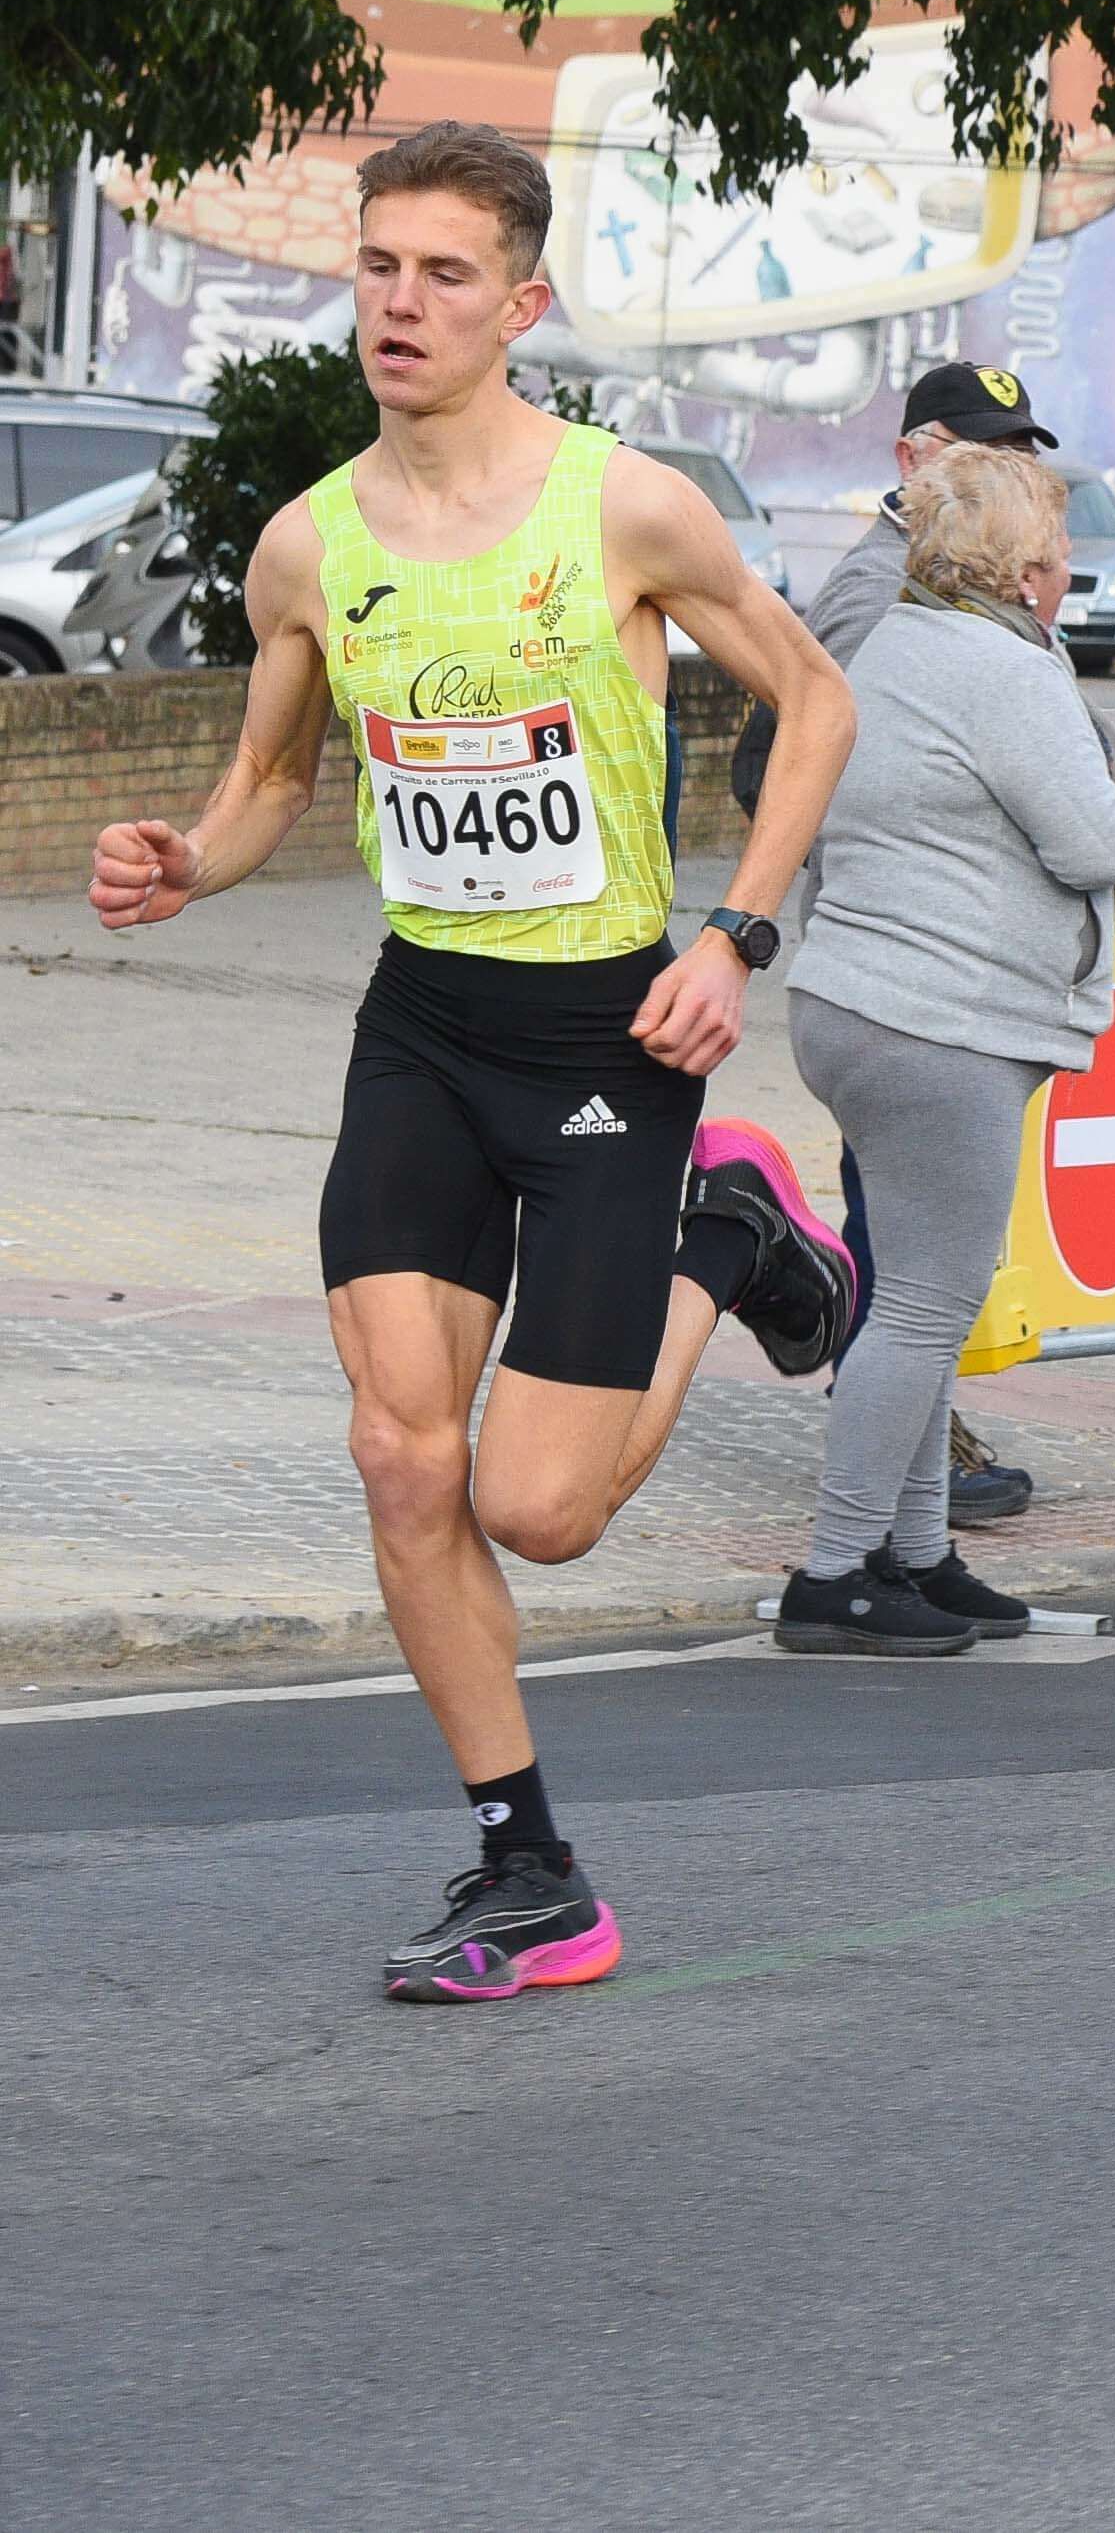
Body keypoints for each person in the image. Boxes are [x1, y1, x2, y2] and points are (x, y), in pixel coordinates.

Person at [91, 119, 854, 2002]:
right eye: (379, 267)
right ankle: (532, 1872)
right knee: (397, 1455)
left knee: (539, 1510)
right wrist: (190, 859)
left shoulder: (626, 510)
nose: (402, 302)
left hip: (608, 1034)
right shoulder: (309, 544)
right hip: (424, 1026)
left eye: (446, 273)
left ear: (520, 305)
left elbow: (818, 700)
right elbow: (272, 775)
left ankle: (728, 1235)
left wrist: (736, 935)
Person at [779, 442, 1115, 1646]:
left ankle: (918, 1553)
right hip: (943, 1021)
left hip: (863, 1002)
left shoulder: (902, 641)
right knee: (926, 1305)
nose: (1070, 567)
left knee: (916, 1294)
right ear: (1027, 572)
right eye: (1062, 549)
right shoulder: (1006, 668)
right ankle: (835, 1571)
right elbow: (1095, 844)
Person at [731, 356, 1063, 1531]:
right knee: (907, 1251)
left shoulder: (953, 581)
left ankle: (907, 1523)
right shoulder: (883, 590)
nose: (1006, 472)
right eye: (981, 451)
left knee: (918, 1245)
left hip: (931, 965)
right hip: (907, 970)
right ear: (911, 459)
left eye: (1017, 452)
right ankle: (865, 1526)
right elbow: (829, 764)